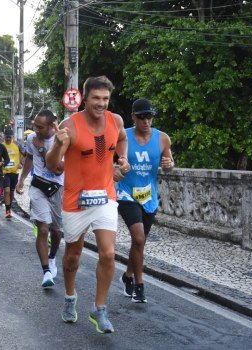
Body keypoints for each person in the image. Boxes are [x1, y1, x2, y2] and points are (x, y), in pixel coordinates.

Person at [46, 76, 130, 333]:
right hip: (76, 201)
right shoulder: (69, 126)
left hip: (105, 196)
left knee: (107, 253)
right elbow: (52, 165)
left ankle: (99, 308)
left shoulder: (115, 120)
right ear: (85, 98)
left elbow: (122, 139)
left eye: (105, 99)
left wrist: (123, 159)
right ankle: (70, 297)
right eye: (96, 98)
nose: (101, 103)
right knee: (73, 255)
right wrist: (59, 144)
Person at [114, 98, 174, 303]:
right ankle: (139, 286)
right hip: (126, 194)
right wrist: (115, 170)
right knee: (138, 238)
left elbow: (169, 162)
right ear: (133, 117)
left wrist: (169, 163)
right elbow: (108, 162)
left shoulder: (163, 138)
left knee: (139, 243)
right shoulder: (123, 137)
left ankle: (127, 276)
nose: (146, 121)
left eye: (149, 116)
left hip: (149, 196)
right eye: (141, 117)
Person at [16, 110, 64, 288]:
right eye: (34, 125)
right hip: (38, 186)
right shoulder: (32, 139)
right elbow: (29, 158)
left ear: (52, 126)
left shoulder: (62, 140)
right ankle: (46, 272)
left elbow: (58, 169)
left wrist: (42, 148)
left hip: (58, 188)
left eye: (40, 126)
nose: (35, 129)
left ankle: (52, 258)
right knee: (43, 229)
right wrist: (22, 179)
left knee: (57, 232)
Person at [2, 129, 23, 220]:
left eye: (10, 138)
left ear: (12, 137)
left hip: (14, 172)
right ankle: (7, 211)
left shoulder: (17, 145)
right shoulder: (1, 145)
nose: (8, 139)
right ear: (4, 137)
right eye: (7, 138)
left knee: (11, 192)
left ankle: (9, 207)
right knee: (6, 191)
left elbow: (25, 154)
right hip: (4, 172)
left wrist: (21, 163)